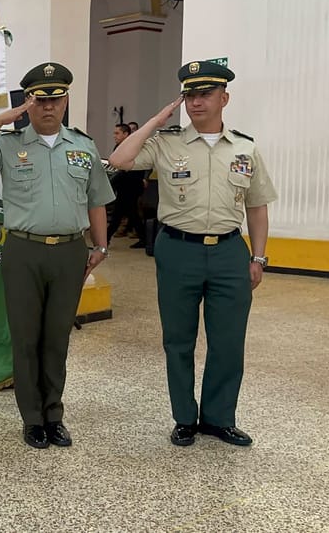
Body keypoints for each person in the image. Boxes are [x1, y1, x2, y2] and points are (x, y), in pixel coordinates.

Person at [109, 60, 277, 447]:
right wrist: (155, 120)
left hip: (230, 252)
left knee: (229, 341)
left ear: (224, 98)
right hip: (178, 250)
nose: (196, 102)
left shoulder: (245, 148)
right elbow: (119, 160)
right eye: (189, 95)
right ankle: (184, 417)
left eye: (205, 94)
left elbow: (258, 206)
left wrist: (259, 257)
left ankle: (219, 418)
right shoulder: (166, 142)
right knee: (178, 339)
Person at [0, 62, 114, 449]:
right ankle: (32, 419)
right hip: (23, 250)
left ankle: (54, 414)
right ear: (29, 103)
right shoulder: (9, 145)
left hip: (69, 252)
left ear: (65, 101)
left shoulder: (83, 146)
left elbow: (96, 199)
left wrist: (100, 246)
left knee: (56, 338)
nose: (48, 107)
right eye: (40, 100)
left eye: (56, 99)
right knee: (26, 338)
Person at [107, 123, 146, 248]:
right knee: (130, 213)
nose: (115, 136)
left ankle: (105, 239)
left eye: (117, 133)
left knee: (120, 214)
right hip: (123, 187)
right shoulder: (118, 147)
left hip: (131, 186)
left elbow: (129, 169)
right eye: (114, 133)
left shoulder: (133, 148)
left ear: (126, 134)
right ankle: (144, 239)